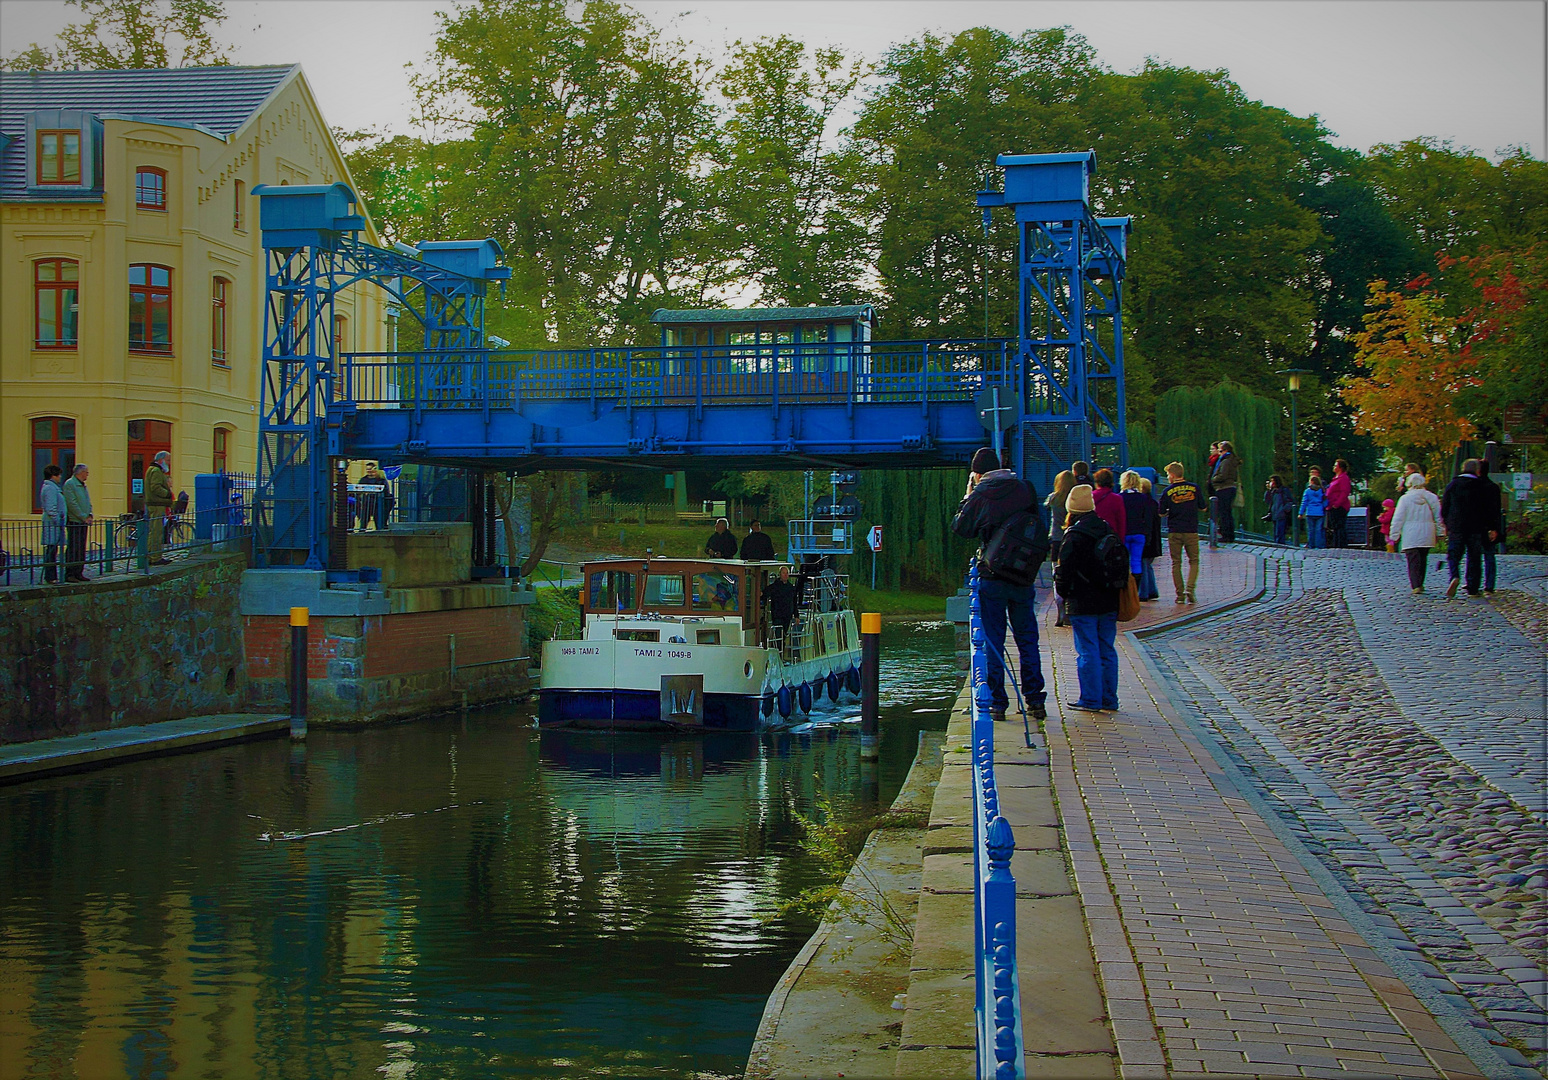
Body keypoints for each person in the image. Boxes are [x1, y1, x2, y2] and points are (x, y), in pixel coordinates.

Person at [951, 446, 1048, 723]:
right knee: (1027, 638)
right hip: (1022, 575)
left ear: (977, 474)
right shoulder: (1024, 488)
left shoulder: (981, 494)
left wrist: (968, 495)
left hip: (992, 575)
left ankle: (997, 703)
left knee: (993, 640)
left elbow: (961, 528)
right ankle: (1035, 700)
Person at [1054, 484, 1120, 713]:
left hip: (1083, 601)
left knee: (1088, 650)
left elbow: (1064, 571)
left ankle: (1091, 699)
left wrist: (1063, 593)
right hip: (1109, 599)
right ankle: (1110, 699)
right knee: (1107, 649)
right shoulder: (1106, 528)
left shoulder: (1074, 535)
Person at [1440, 459, 1490, 598]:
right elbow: (1487, 508)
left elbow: (1445, 506)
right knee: (1474, 556)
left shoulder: (1453, 484)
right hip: (1475, 526)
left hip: (1456, 525)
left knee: (1454, 554)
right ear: (1477, 470)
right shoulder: (1481, 485)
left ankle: (1454, 575)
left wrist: (1446, 523)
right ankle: (1473, 588)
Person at [1388, 473, 1441, 593]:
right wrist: (1440, 532)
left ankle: (1416, 584)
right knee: (1423, 558)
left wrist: (1394, 535)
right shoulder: (1432, 497)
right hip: (1427, 532)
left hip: (1410, 533)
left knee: (1412, 560)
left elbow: (1398, 518)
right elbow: (1438, 517)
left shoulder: (1405, 499)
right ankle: (1420, 582)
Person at [1158, 462, 1201, 604]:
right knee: (1194, 561)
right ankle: (1190, 588)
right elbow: (1204, 507)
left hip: (1175, 530)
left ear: (1172, 475)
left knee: (1176, 562)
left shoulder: (1167, 491)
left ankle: (1180, 595)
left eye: (1167, 475)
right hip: (1191, 530)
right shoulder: (1195, 488)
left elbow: (1161, 512)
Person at [1118, 471, 1156, 598]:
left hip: (1125, 533)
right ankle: (1136, 590)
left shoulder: (1120, 498)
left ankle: (1125, 591)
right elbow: (1147, 518)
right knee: (1136, 562)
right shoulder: (1143, 498)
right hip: (1139, 533)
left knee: (1124, 562)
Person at [1046, 470, 1076, 627]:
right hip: (1071, 538)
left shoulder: (1053, 498)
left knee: (1057, 575)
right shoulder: (1074, 499)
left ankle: (1060, 610)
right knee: (1072, 574)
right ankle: (1071, 608)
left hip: (1057, 540)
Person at [63, 463, 94, 581]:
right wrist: (83, 517)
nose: (87, 474)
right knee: (73, 548)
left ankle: (79, 572)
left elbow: (87, 501)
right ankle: (70, 573)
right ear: (80, 473)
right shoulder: (70, 484)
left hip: (83, 521)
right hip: (75, 521)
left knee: (81, 548)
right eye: (86, 472)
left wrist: (90, 514)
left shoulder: (82, 485)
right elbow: (72, 504)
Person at [1477, 468, 1505, 594]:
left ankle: (1473, 582)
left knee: (1474, 556)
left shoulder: (1473, 486)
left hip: (1475, 526)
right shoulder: (1493, 487)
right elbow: (1496, 510)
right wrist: (1494, 528)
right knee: (1489, 556)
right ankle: (1489, 585)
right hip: (1489, 526)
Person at [144, 451, 175, 565]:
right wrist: (167, 494)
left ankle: (151, 555)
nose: (169, 463)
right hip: (157, 505)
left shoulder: (153, 470)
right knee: (157, 532)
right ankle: (155, 557)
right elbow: (155, 487)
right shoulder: (156, 471)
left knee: (154, 531)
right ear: (161, 460)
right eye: (168, 460)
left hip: (156, 504)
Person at [763, 564, 803, 652]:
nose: (785, 575)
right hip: (777, 615)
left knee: (784, 635)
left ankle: (781, 654)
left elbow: (794, 603)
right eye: (783, 573)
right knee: (778, 636)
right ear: (780, 574)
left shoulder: (791, 588)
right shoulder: (775, 586)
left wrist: (796, 616)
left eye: (787, 573)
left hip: (787, 615)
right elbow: (765, 593)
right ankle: (778, 653)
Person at [1208, 440, 1240, 543]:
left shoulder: (1226, 461)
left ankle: (1226, 535)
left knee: (1224, 513)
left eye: (1220, 451)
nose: (1219, 453)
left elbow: (1223, 475)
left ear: (1226, 450)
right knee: (1227, 512)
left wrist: (1213, 479)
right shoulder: (1230, 460)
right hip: (1227, 488)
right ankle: (1229, 534)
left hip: (1224, 488)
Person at [39, 464, 66, 584]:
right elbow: (51, 508)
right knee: (51, 550)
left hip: (54, 524)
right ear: (53, 476)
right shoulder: (50, 488)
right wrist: (58, 521)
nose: (60, 477)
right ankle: (50, 576)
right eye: (59, 475)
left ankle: (52, 576)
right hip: (52, 524)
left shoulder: (52, 487)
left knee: (52, 550)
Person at [1138, 476, 1163, 601]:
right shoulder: (1153, 503)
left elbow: (1146, 522)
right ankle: (1152, 590)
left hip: (1146, 539)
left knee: (1143, 564)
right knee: (1148, 565)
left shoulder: (1143, 504)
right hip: (1154, 539)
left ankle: (1144, 592)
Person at [1324, 459, 1353, 548]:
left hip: (1339, 506)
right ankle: (1336, 544)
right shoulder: (1335, 478)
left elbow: (1345, 492)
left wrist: (1337, 504)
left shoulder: (1343, 478)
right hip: (1331, 505)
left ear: (1340, 468)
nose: (1334, 467)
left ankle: (1341, 545)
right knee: (1335, 527)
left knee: (1340, 526)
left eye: (1335, 465)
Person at [1091, 468, 1127, 538]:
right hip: (1110, 536)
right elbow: (1121, 522)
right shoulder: (1117, 498)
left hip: (1093, 534)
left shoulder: (1090, 497)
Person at [357, 463, 390, 530]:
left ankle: (380, 532)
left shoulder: (381, 480)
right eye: (367, 469)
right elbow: (358, 490)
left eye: (370, 469)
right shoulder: (363, 480)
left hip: (378, 504)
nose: (368, 471)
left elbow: (386, 491)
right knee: (364, 520)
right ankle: (362, 532)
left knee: (378, 520)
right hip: (366, 503)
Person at [1265, 475, 1295, 545]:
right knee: (1275, 532)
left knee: (1280, 532)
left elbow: (1290, 501)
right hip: (1274, 514)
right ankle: (1277, 544)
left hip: (1281, 514)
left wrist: (1285, 509)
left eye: (1273, 481)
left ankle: (1280, 545)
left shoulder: (1283, 490)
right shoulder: (1273, 491)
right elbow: (1267, 500)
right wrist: (1268, 490)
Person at [1299, 475, 1326, 549]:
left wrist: (1300, 513)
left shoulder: (1307, 491)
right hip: (1320, 512)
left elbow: (1304, 502)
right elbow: (1325, 502)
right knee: (1318, 530)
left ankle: (1311, 545)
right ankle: (1319, 545)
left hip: (1310, 512)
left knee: (1311, 530)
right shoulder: (1322, 490)